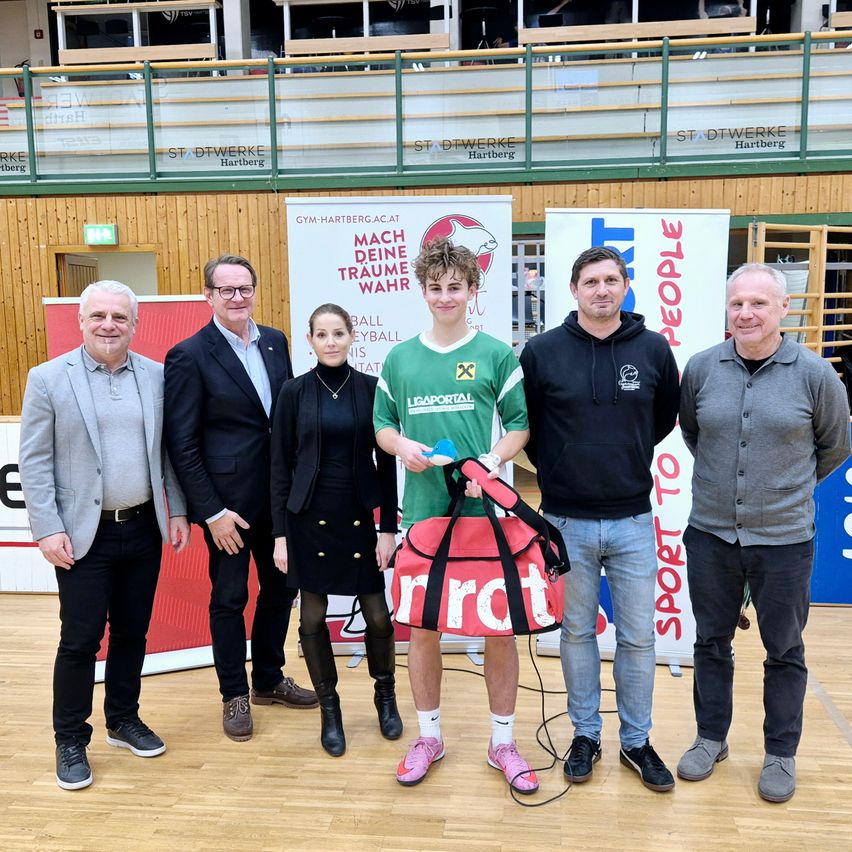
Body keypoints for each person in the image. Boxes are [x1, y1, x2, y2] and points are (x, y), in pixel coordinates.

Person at [676, 263, 850, 803]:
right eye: (736, 304)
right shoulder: (702, 369)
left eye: (757, 303)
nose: (746, 313)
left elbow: (835, 446)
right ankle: (711, 738)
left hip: (785, 540)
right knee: (710, 642)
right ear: (726, 311)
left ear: (782, 309)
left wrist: (783, 490)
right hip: (710, 535)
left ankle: (781, 751)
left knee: (785, 649)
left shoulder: (816, 375)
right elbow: (692, 432)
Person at [373, 236, 536, 793]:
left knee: (500, 629)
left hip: (484, 514)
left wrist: (490, 460)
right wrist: (401, 449)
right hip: (422, 514)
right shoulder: (399, 358)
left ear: (472, 290)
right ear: (423, 291)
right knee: (421, 629)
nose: (446, 297)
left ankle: (504, 742)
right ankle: (429, 736)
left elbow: (519, 425)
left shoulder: (496, 353)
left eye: (455, 288)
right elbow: (382, 425)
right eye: (435, 288)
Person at [519, 246, 680, 792]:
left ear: (626, 285)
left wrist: (620, 457)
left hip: (634, 517)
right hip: (565, 520)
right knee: (576, 633)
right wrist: (565, 468)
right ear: (574, 290)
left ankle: (636, 742)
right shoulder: (541, 352)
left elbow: (660, 420)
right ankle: (584, 735)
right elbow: (528, 428)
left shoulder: (655, 350)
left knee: (638, 638)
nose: (602, 290)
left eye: (612, 280)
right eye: (591, 282)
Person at [18, 280, 190, 791]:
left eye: (119, 317)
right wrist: (47, 528)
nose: (109, 325)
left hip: (142, 528)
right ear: (82, 321)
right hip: (80, 535)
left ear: (135, 324)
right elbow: (35, 462)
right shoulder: (48, 379)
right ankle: (70, 738)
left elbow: (167, 453)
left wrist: (176, 510)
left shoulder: (157, 377)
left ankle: (122, 719)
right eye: (99, 316)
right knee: (80, 641)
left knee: (134, 632)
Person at [164, 254, 317, 742]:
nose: (237, 297)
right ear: (208, 296)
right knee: (230, 598)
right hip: (227, 507)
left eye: (244, 288)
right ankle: (234, 694)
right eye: (226, 290)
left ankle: (268, 680)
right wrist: (210, 512)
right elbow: (182, 444)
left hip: (279, 500)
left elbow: (284, 419)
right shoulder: (188, 355)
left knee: (281, 590)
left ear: (254, 290)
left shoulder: (275, 342)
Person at [270, 303, 401, 757]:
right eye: (321, 334)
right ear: (309, 340)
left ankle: (385, 696)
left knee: (379, 616)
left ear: (351, 337)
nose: (330, 342)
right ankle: (330, 708)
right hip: (307, 517)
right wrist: (280, 534)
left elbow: (386, 464)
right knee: (310, 619)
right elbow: (279, 467)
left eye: (338, 333)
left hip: (360, 514)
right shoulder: (293, 392)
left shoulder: (371, 389)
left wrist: (388, 528)